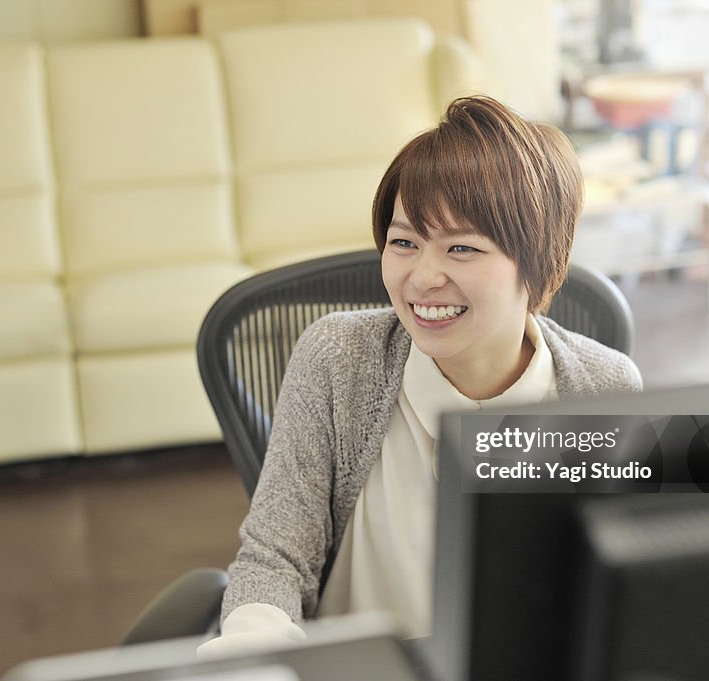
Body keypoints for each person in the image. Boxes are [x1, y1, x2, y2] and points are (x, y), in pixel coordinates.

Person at [198, 95, 642, 658]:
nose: (423, 276)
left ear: (537, 262)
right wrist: (254, 648)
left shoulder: (604, 389)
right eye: (404, 242)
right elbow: (274, 561)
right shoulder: (340, 359)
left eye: (461, 248)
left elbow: (612, 588)